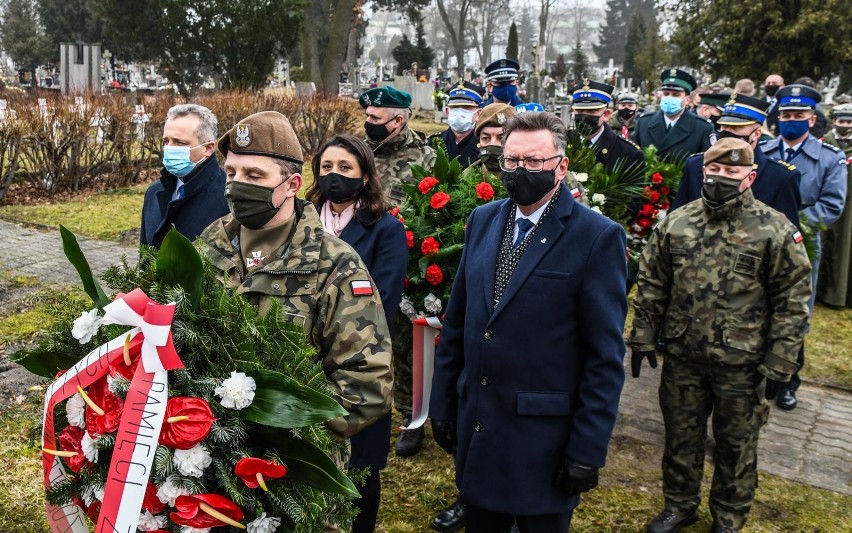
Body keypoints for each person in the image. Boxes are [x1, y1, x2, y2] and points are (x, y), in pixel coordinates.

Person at [429, 111, 627, 532]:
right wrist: (443, 402)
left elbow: (604, 357)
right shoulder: (484, 220)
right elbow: (460, 320)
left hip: (544, 438)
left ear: (561, 166)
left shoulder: (596, 237)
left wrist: (587, 449)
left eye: (534, 162)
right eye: (512, 160)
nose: (521, 170)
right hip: (481, 422)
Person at [200, 112, 394, 531]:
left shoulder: (334, 265)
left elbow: (367, 383)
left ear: (290, 184)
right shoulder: (210, 242)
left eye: (254, 173)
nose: (237, 185)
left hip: (293, 483)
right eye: (231, 172)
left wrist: (285, 429)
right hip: (205, 466)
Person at [630, 138, 812, 533]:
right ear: (703, 172)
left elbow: (793, 301)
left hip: (743, 364)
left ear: (751, 177)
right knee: (681, 438)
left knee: (736, 446)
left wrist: (781, 361)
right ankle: (679, 505)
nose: (721, 178)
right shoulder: (676, 223)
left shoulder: (774, 229)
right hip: (684, 357)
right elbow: (653, 283)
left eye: (732, 172)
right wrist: (643, 336)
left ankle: (728, 517)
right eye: (715, 170)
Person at [305, 134, 408, 533]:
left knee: (359, 469)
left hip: (358, 361)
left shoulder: (384, 229)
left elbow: (383, 300)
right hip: (304, 357)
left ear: (364, 175)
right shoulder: (302, 219)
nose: (335, 176)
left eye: (345, 168)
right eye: (327, 167)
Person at [760, 84, 848, 409]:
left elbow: (832, 205)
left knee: (793, 311)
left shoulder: (829, 158)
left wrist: (792, 223)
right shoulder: (764, 151)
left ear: (812, 119)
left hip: (802, 243)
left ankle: (787, 381)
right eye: (785, 115)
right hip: (759, 242)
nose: (791, 120)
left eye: (799, 115)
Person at [672, 93, 802, 228]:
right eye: (724, 126)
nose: (728, 132)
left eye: (736, 127)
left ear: (756, 134)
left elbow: (787, 233)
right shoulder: (695, 165)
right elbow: (676, 217)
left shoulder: (780, 177)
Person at [141, 104, 229, 248]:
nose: (169, 148)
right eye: (166, 141)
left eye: (179, 142)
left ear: (208, 148)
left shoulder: (227, 195)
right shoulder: (154, 191)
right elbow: (144, 256)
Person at [360, 86, 436, 206]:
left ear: (397, 121)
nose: (368, 122)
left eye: (375, 118)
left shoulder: (427, 159)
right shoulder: (358, 152)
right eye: (367, 115)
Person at [632, 68, 715, 163]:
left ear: (687, 99)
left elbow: (706, 164)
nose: (669, 98)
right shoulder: (644, 122)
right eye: (666, 94)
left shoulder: (702, 128)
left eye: (676, 95)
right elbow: (633, 157)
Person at [570, 79, 645, 182]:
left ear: (606, 114)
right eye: (579, 110)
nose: (584, 116)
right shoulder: (559, 142)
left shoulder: (629, 153)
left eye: (592, 111)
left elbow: (632, 197)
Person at [818, 103, 852, 307]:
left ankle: (838, 295)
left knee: (844, 247)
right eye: (842, 121)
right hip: (825, 201)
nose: (845, 126)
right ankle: (820, 290)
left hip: (849, 207)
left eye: (849, 122)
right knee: (822, 243)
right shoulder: (823, 144)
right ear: (834, 122)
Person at [429, 84, 483, 169]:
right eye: (454, 107)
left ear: (478, 113)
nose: (459, 113)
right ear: (447, 111)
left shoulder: (484, 144)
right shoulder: (433, 142)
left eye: (466, 108)